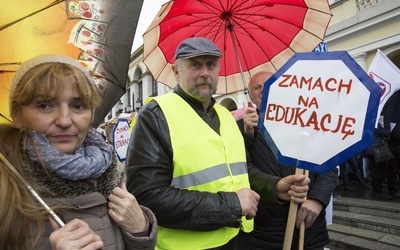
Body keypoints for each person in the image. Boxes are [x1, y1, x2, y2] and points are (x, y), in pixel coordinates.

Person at [125, 37, 310, 250]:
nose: (205, 72)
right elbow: (148, 196)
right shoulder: (156, 115)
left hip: (237, 239)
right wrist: (232, 205)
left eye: (211, 64)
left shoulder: (225, 115)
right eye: (195, 64)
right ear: (176, 72)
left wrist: (274, 186)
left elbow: (241, 171)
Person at [0, 54, 157, 249]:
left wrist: (139, 230)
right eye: (44, 105)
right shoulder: (7, 182)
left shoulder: (111, 173)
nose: (64, 120)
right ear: (17, 114)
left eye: (77, 106)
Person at [239, 71, 338, 250]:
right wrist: (247, 136)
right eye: (257, 87)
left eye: (269, 84)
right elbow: (243, 169)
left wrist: (317, 199)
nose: (263, 89)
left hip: (308, 228)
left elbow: (329, 165)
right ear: (251, 97)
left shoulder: (309, 120)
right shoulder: (242, 128)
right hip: (265, 232)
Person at [368, 115, 400, 200]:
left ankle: (377, 191)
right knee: (379, 170)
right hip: (378, 146)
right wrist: (386, 124)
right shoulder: (375, 121)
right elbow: (386, 132)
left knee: (378, 169)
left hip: (376, 146)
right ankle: (378, 192)